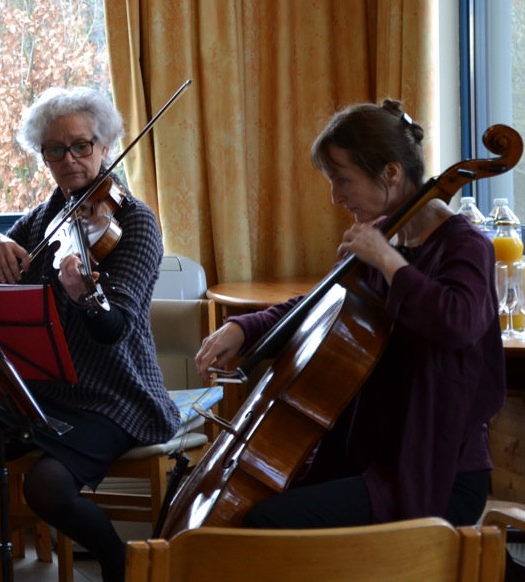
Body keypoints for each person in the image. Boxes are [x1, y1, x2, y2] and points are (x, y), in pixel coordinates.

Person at [195, 100, 505, 529]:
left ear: (391, 172)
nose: (335, 197)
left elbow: (457, 322)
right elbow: (320, 305)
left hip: (434, 472)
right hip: (369, 457)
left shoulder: (465, 244)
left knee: (268, 524)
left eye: (343, 179)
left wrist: (388, 263)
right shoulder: (384, 238)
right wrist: (244, 328)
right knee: (251, 509)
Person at [0, 87, 178, 582]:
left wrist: (87, 297)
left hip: (113, 394)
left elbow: (115, 329)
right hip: (43, 388)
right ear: (41, 155)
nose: (69, 160)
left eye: (81, 146)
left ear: (106, 146)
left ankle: (119, 561)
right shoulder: (45, 218)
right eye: (55, 150)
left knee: (45, 486)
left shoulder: (134, 223)